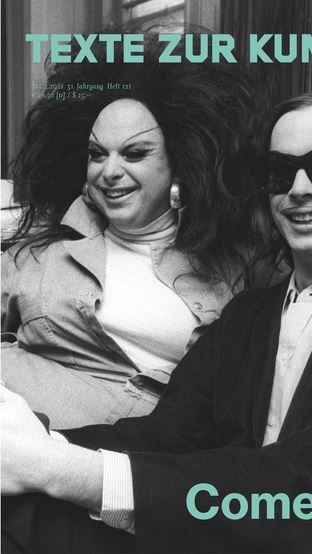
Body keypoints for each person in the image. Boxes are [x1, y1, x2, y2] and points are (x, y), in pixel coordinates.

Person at [2, 89, 312, 553]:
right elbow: (167, 433)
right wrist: (38, 444)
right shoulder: (246, 316)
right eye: (279, 172)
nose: (299, 188)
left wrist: (62, 469)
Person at [1, 32, 271, 428]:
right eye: (97, 154)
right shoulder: (41, 249)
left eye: (134, 153)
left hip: (120, 448)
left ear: (180, 162)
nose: (109, 171)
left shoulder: (237, 265)